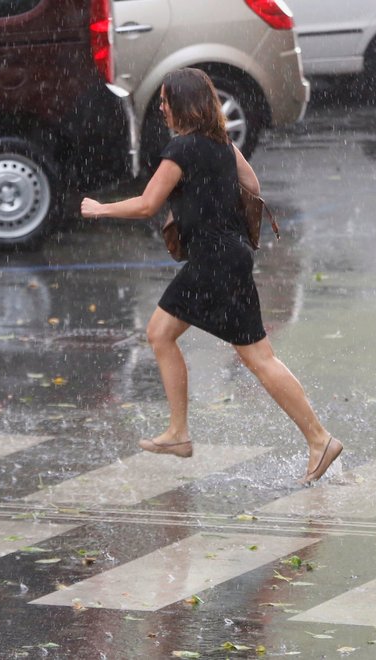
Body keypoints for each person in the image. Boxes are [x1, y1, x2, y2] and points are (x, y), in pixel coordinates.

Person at [80, 68, 342, 485]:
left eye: (165, 100)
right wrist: (211, 203)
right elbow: (251, 184)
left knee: (253, 356)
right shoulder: (222, 142)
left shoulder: (180, 150)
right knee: (165, 333)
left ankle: (317, 437)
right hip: (229, 255)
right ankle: (179, 434)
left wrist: (100, 209)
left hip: (212, 262)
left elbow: (148, 205)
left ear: (181, 105)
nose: (161, 106)